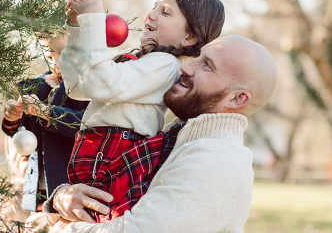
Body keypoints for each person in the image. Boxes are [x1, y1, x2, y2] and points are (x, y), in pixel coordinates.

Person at [44, 35, 278, 233]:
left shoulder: (217, 159)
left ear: (237, 99)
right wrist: (61, 199)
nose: (186, 67)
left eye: (207, 65)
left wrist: (60, 229)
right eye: (198, 57)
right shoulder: (174, 140)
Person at [59, 0, 225, 221]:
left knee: (104, 220)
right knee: (86, 220)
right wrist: (77, 28)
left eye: (165, 12)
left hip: (115, 155)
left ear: (189, 36)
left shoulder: (166, 65)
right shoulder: (138, 56)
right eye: (155, 6)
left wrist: (94, 17)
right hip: (94, 150)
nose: (151, 14)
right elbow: (78, 86)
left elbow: (102, 83)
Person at [1, 33, 89, 223]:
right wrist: (12, 118)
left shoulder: (89, 88)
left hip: (71, 185)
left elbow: (88, 125)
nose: (56, 63)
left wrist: (48, 112)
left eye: (64, 55)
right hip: (40, 184)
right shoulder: (37, 88)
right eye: (50, 57)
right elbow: (21, 135)